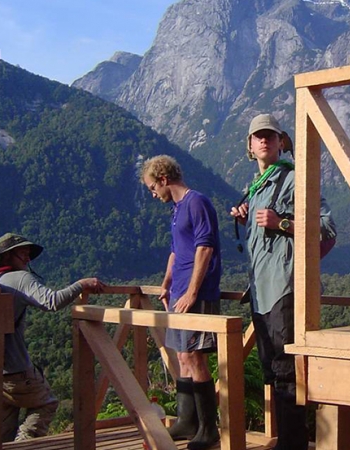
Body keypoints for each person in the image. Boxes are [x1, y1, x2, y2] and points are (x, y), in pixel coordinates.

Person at [230, 114, 336, 450]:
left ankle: (294, 443)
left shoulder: (293, 179)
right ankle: (288, 440)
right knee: (273, 370)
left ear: (281, 142)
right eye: (258, 136)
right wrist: (247, 215)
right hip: (262, 291)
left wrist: (282, 223)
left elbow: (327, 230)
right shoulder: (257, 186)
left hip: (285, 289)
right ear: (250, 145)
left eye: (270, 136)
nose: (264, 141)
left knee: (287, 370)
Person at [140, 155, 222, 450]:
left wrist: (191, 292)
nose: (153, 194)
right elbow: (177, 252)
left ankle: (208, 429)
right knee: (183, 356)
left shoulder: (196, 202)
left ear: (163, 179)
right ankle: (188, 421)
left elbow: (205, 248)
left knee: (196, 357)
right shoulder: (177, 210)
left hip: (196, 295)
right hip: (179, 293)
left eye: (152, 188)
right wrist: (167, 284)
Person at [0, 232, 105, 442]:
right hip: (17, 369)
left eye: (28, 253)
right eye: (22, 253)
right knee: (46, 403)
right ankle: (25, 444)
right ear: (8, 256)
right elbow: (51, 302)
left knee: (3, 427)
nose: (27, 258)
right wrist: (81, 285)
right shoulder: (20, 278)